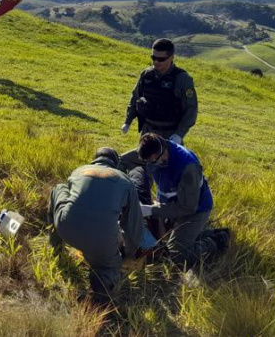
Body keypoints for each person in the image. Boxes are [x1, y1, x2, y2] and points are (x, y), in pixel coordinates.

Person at [48, 148, 145, 304]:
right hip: (102, 241)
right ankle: (101, 283)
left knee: (59, 188)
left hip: (67, 229)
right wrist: (129, 253)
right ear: (116, 163)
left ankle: (55, 244)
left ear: (95, 160)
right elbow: (132, 224)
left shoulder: (79, 171)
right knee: (110, 268)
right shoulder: (126, 181)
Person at [129, 133, 229, 266]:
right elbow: (126, 160)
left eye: (153, 161)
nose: (150, 165)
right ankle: (202, 233)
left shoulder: (187, 167)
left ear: (163, 153)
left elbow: (187, 207)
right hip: (170, 206)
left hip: (194, 210)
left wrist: (151, 210)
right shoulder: (153, 151)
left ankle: (217, 241)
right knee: (162, 240)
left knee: (175, 256)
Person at [120, 38, 197, 171]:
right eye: (153, 58)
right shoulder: (146, 75)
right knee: (141, 167)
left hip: (170, 134)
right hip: (148, 131)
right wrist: (128, 121)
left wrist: (179, 134)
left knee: (171, 172)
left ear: (171, 57)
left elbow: (191, 109)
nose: (156, 62)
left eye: (161, 59)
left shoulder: (182, 79)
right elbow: (135, 98)